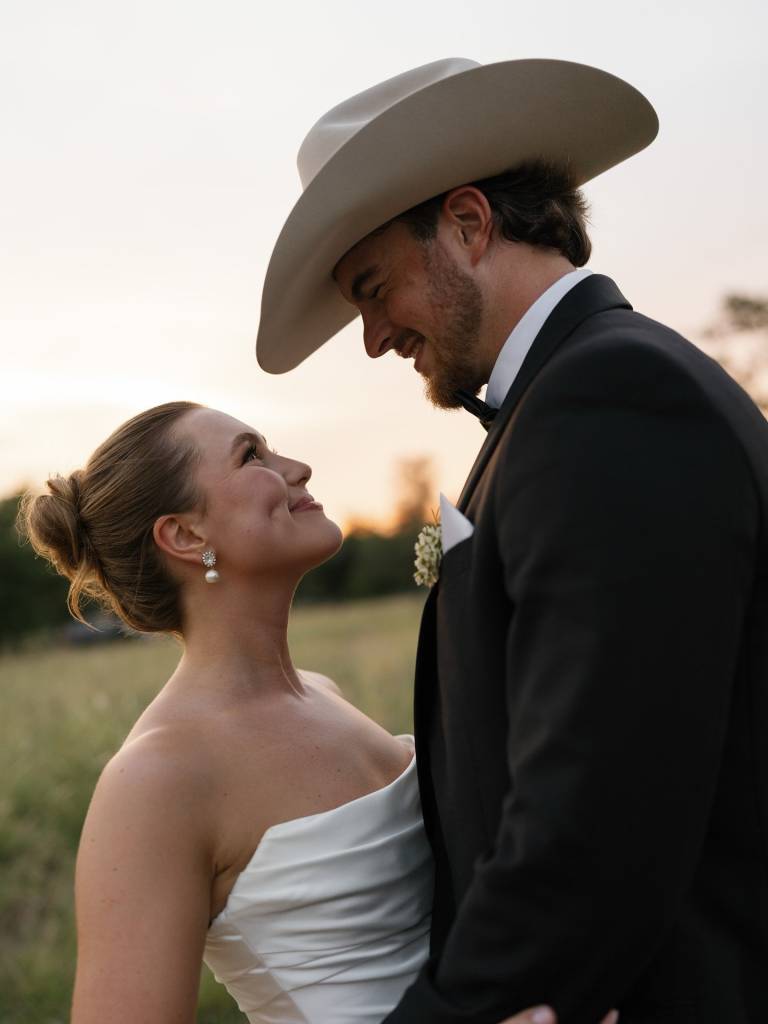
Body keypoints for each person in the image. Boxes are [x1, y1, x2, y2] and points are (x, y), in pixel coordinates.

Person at [256, 58, 768, 1022]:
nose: (370, 338)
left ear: (467, 223)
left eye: (373, 286)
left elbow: (596, 817)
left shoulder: (614, 400)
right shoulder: (572, 402)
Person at [19, 401, 603, 1024]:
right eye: (252, 456)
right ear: (185, 536)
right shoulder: (156, 779)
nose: (298, 468)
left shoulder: (326, 694)